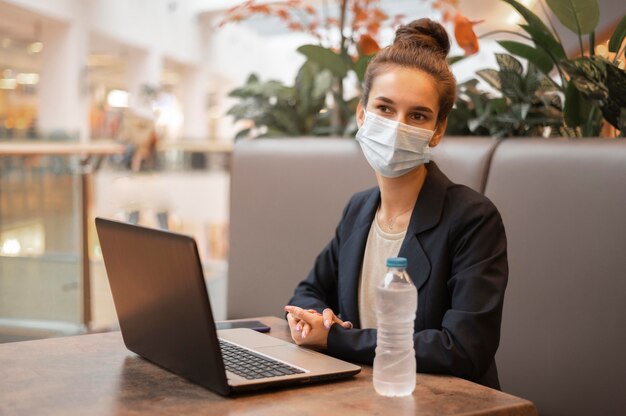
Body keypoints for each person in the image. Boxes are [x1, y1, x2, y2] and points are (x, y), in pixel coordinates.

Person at [284, 18, 508, 390]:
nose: (397, 126)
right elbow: (309, 289)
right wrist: (314, 317)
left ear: (437, 130)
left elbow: (465, 349)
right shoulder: (359, 208)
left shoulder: (473, 218)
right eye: (385, 109)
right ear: (362, 114)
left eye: (417, 115)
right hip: (362, 399)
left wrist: (337, 339)